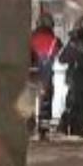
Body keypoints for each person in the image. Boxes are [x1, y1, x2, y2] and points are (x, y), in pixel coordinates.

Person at [30, 11, 62, 139]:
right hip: (46, 75)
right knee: (45, 103)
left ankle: (28, 128)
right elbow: (59, 55)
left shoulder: (30, 37)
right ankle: (43, 131)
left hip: (31, 73)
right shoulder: (55, 40)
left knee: (28, 102)